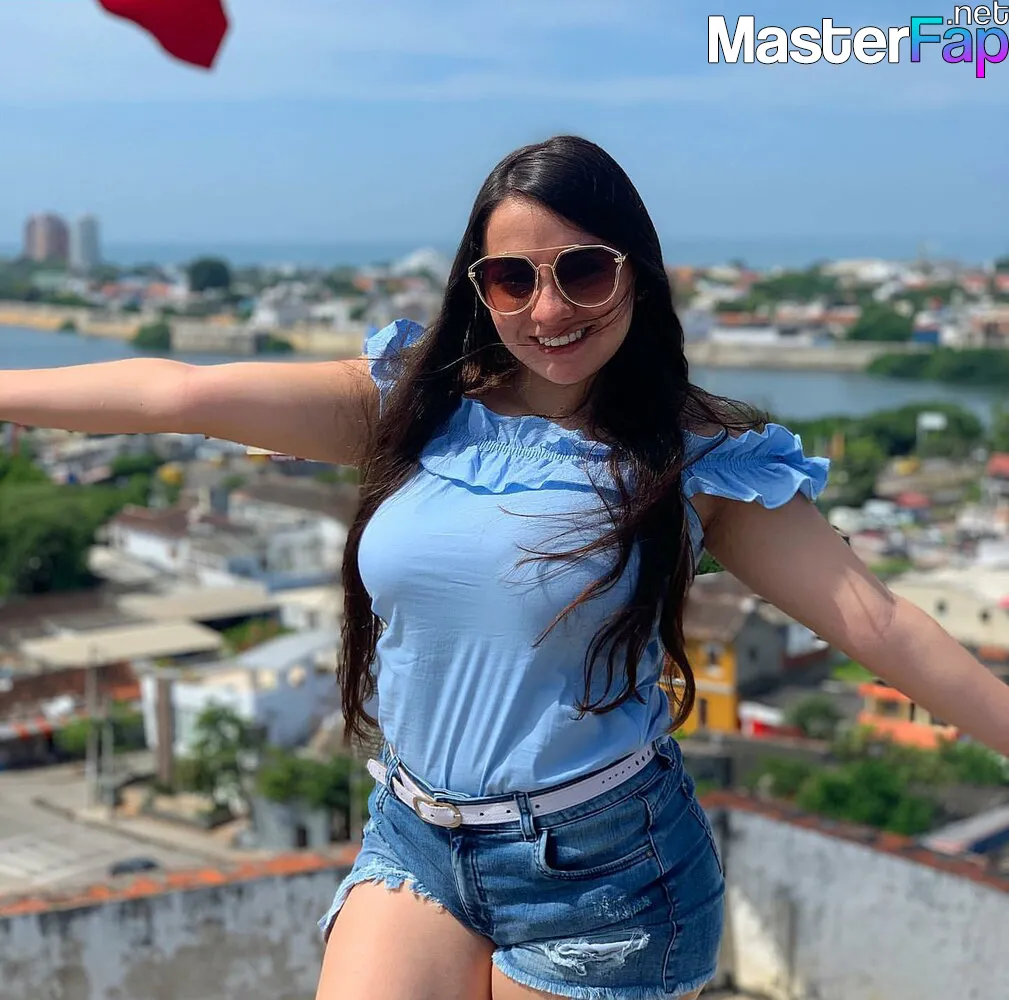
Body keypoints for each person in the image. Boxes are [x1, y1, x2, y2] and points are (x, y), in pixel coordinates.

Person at [1, 135, 1007, 1000]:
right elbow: (178, 394)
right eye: (512, 278)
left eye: (583, 270)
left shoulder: (695, 461)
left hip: (603, 869)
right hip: (416, 835)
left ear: (638, 273)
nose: (548, 307)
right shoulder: (413, 406)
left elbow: (879, 624)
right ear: (477, 289)